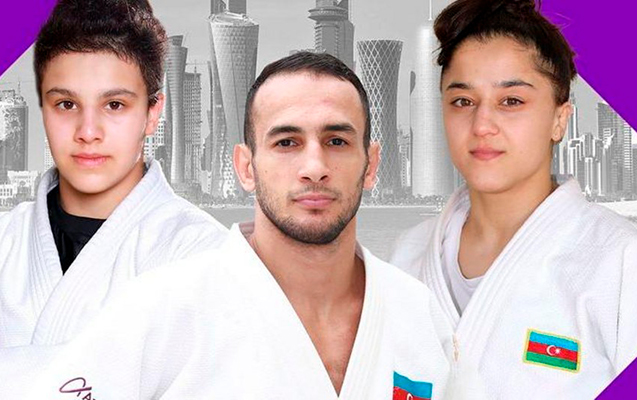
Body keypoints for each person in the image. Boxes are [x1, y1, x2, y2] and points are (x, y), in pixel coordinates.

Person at [2, 52, 451, 399]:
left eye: (336, 140)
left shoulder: (418, 312)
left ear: (371, 165)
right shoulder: (163, 307)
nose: (314, 167)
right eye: (287, 142)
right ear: (246, 167)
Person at [390, 0, 637, 398]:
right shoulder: (407, 255)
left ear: (560, 119)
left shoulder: (621, 263)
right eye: (462, 101)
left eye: (512, 101)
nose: (482, 125)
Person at [0, 0, 227, 348]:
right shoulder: (5, 240)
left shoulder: (207, 256)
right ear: (43, 108)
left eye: (115, 105)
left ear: (152, 113)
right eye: (66, 104)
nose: (88, 131)